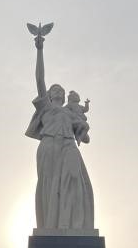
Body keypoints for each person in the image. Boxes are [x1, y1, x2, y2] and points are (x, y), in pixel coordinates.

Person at [25, 31, 94, 231]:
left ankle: (73, 225)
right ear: (48, 95)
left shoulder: (70, 112)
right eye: (54, 89)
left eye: (61, 90)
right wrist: (40, 50)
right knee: (49, 185)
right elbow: (40, 79)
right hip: (48, 145)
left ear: (64, 97)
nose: (58, 90)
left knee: (75, 181)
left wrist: (82, 127)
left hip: (69, 146)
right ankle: (50, 226)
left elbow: (86, 138)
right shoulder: (45, 107)